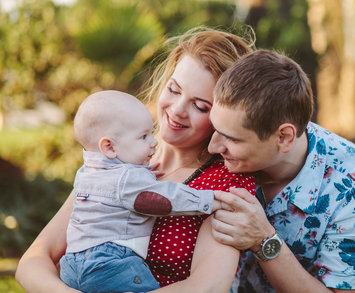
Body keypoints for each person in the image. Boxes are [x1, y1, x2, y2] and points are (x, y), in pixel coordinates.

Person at [15, 27, 255, 293]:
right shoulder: (113, 161)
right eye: (174, 90)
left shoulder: (225, 184)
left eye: (200, 106)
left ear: (222, 117)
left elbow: (208, 286)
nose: (177, 110)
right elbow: (32, 263)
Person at [209, 49, 355, 292]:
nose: (212, 146)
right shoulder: (221, 147)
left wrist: (264, 241)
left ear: (284, 137)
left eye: (231, 139)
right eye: (215, 128)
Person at [60, 90, 222, 293]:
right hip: (110, 261)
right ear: (109, 147)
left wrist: (141, 173)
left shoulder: (86, 173)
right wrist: (211, 200)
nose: (153, 142)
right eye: (143, 137)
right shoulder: (128, 179)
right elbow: (167, 199)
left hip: (71, 264)